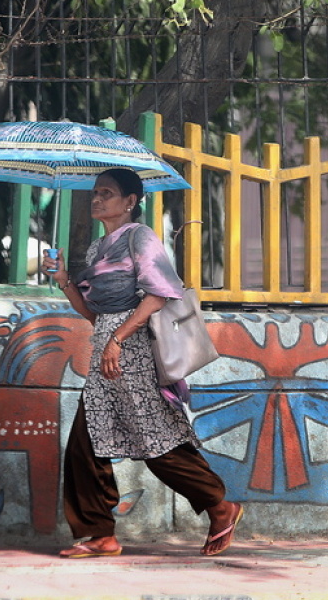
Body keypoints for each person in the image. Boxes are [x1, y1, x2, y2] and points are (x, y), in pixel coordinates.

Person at [41, 167, 243, 559]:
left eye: (107, 193)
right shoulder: (97, 250)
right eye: (95, 193)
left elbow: (159, 294)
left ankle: (220, 506)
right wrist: (65, 279)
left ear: (130, 201)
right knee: (86, 443)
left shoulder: (140, 237)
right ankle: (99, 533)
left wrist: (117, 340)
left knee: (157, 443)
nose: (96, 199)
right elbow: (94, 313)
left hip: (131, 351)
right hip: (107, 351)